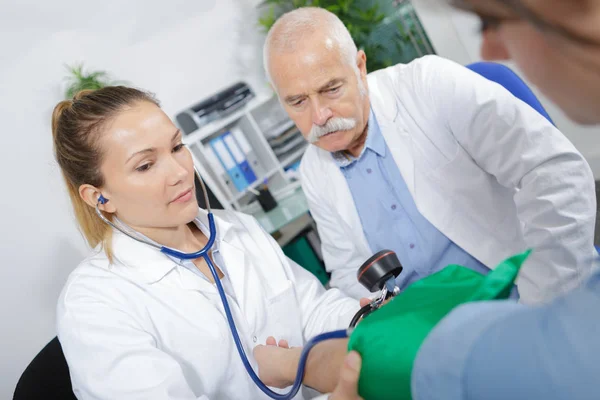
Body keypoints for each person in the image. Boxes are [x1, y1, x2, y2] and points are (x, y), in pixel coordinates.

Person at [261, 1, 600, 398]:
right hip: (430, 337)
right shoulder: (313, 171)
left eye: (331, 89)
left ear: (359, 66)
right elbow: (347, 272)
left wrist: (545, 308)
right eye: (298, 102)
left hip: (526, 297)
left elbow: (552, 171)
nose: (318, 116)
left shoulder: (429, 86)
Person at [52, 86, 360, 399]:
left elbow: (313, 309)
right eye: (145, 165)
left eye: (176, 147)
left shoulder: (238, 229)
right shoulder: (92, 303)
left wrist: (367, 327)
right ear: (99, 197)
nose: (180, 172)